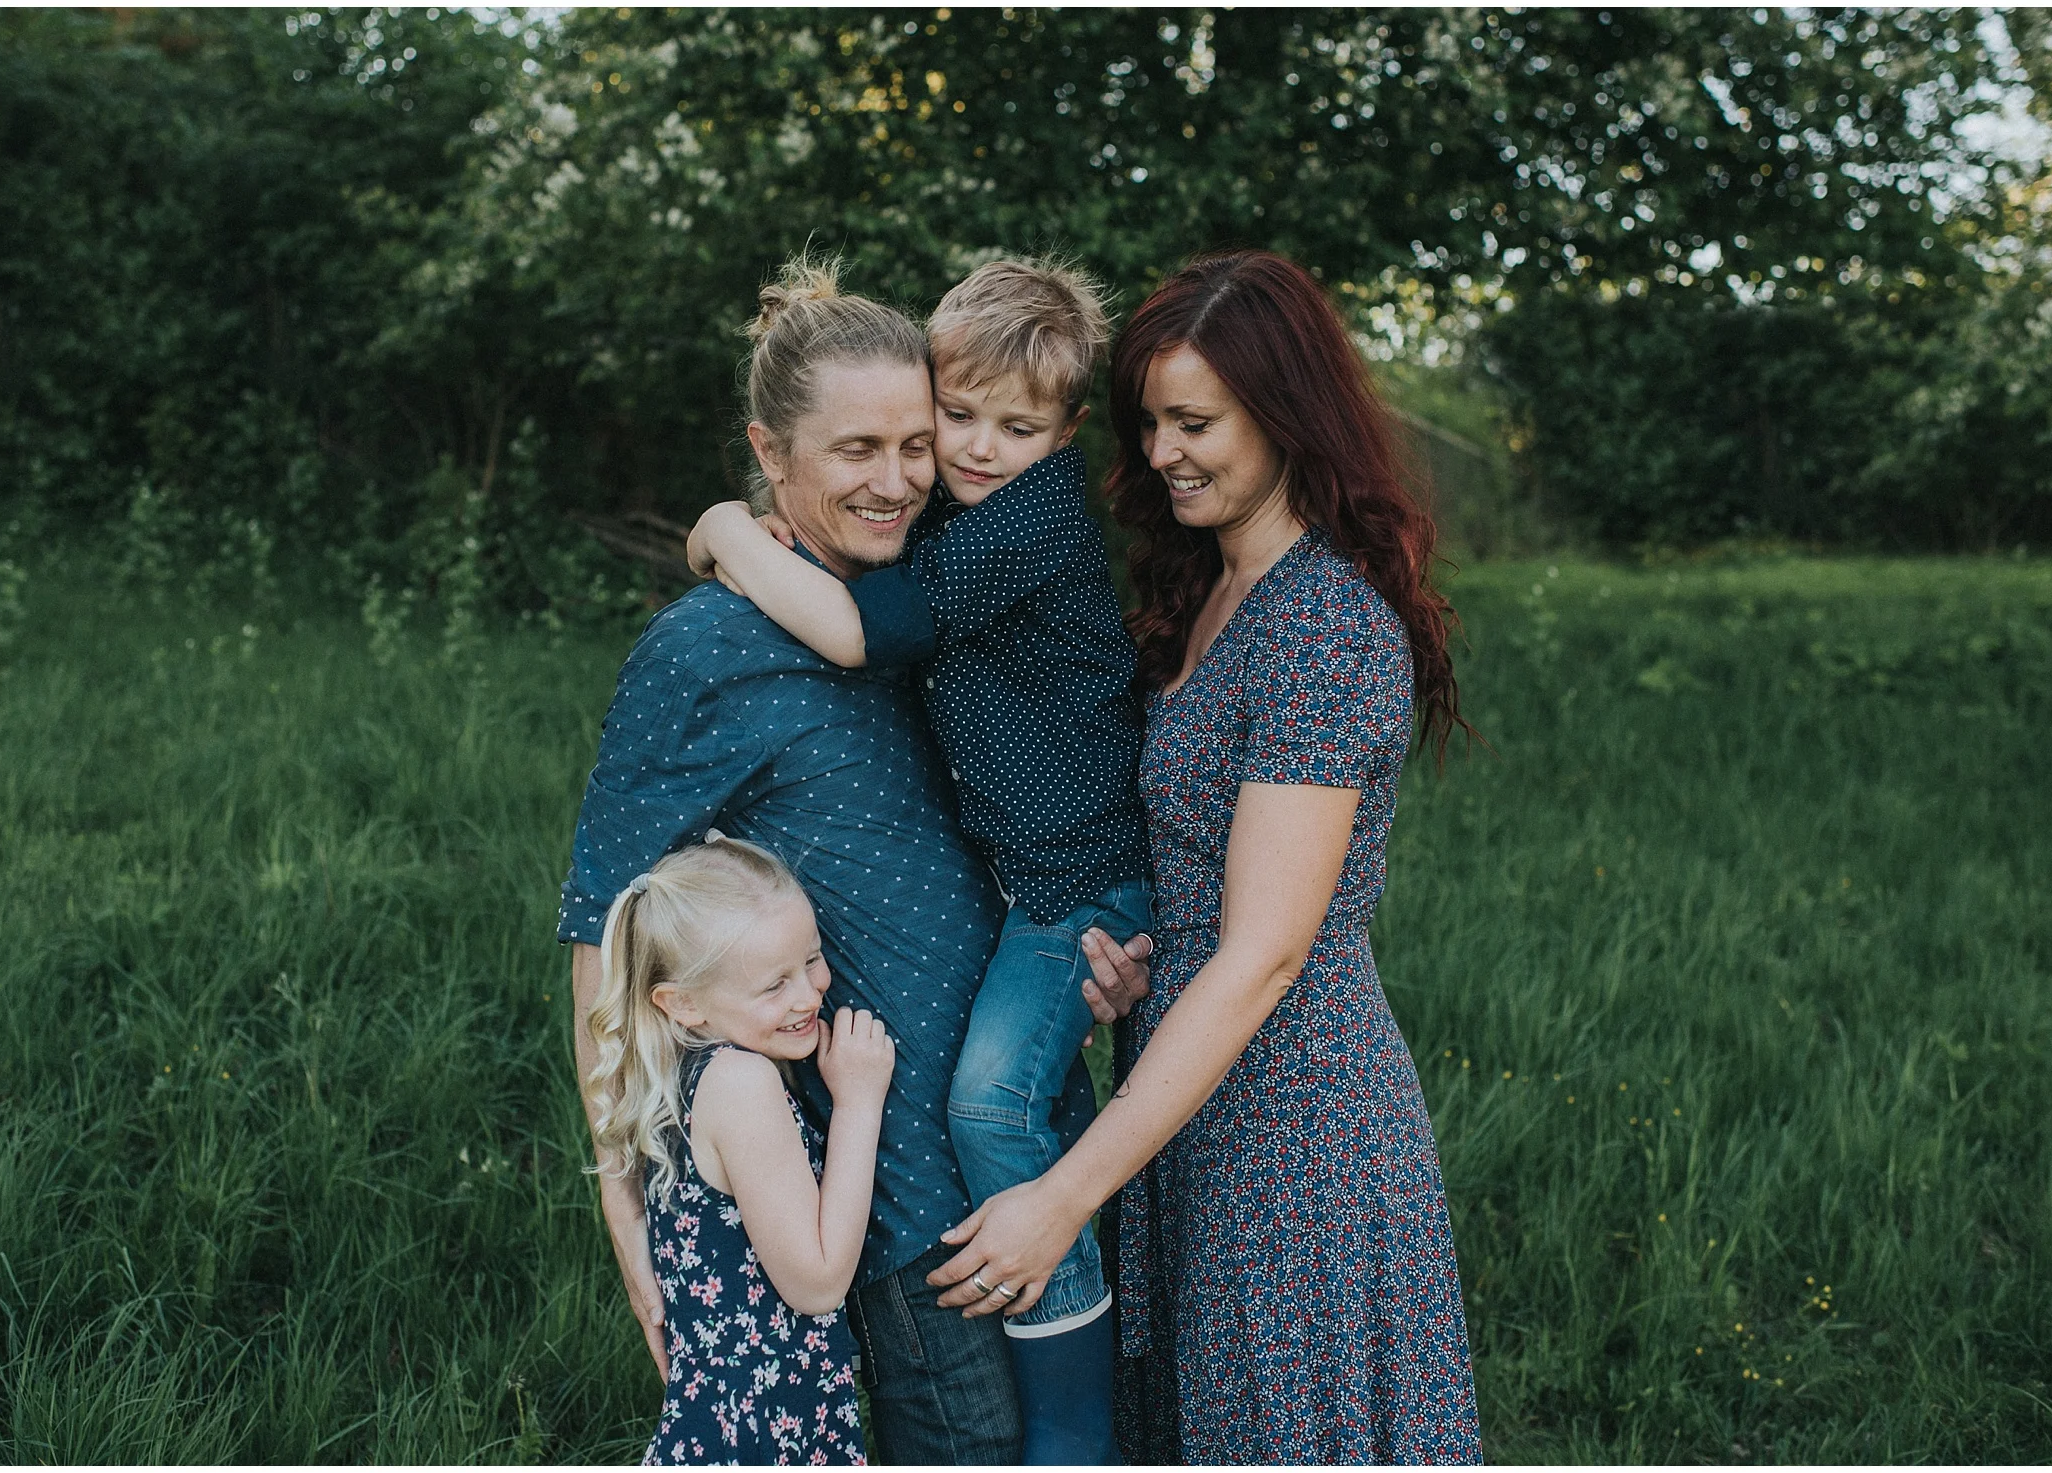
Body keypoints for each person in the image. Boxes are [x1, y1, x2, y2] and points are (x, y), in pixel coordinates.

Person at [557, 255, 1152, 1465]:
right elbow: (602, 927)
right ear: (770, 453)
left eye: (914, 446)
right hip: (898, 1193)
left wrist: (1093, 950)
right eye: (852, 451)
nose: (896, 482)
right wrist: (626, 1206)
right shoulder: (707, 651)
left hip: (1030, 1118)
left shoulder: (946, 594)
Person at [926, 249, 1486, 1463]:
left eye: (1197, 423)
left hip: (1297, 1125)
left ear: (1285, 417)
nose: (1166, 452)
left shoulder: (1325, 626)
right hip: (1181, 1089)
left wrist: (1061, 1196)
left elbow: (1267, 954)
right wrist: (1141, 953)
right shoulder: (1209, 585)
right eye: (1150, 423)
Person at [583, 835, 886, 1465]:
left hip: (729, 1423)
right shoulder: (741, 1084)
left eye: (812, 959)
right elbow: (818, 1282)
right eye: (774, 985)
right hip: (761, 1433)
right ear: (683, 1003)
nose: (808, 995)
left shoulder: (681, 1074)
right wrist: (859, 1104)